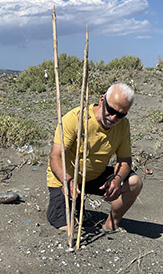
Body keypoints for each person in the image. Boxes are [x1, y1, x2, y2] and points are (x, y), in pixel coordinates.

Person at [46, 83, 143, 231]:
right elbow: (55, 157)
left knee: (134, 182)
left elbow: (124, 161)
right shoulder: (76, 118)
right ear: (102, 99)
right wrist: (67, 179)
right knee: (69, 228)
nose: (113, 117)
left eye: (121, 115)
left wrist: (118, 179)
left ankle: (111, 224)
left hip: (94, 176)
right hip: (67, 178)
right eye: (111, 110)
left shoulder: (123, 126)